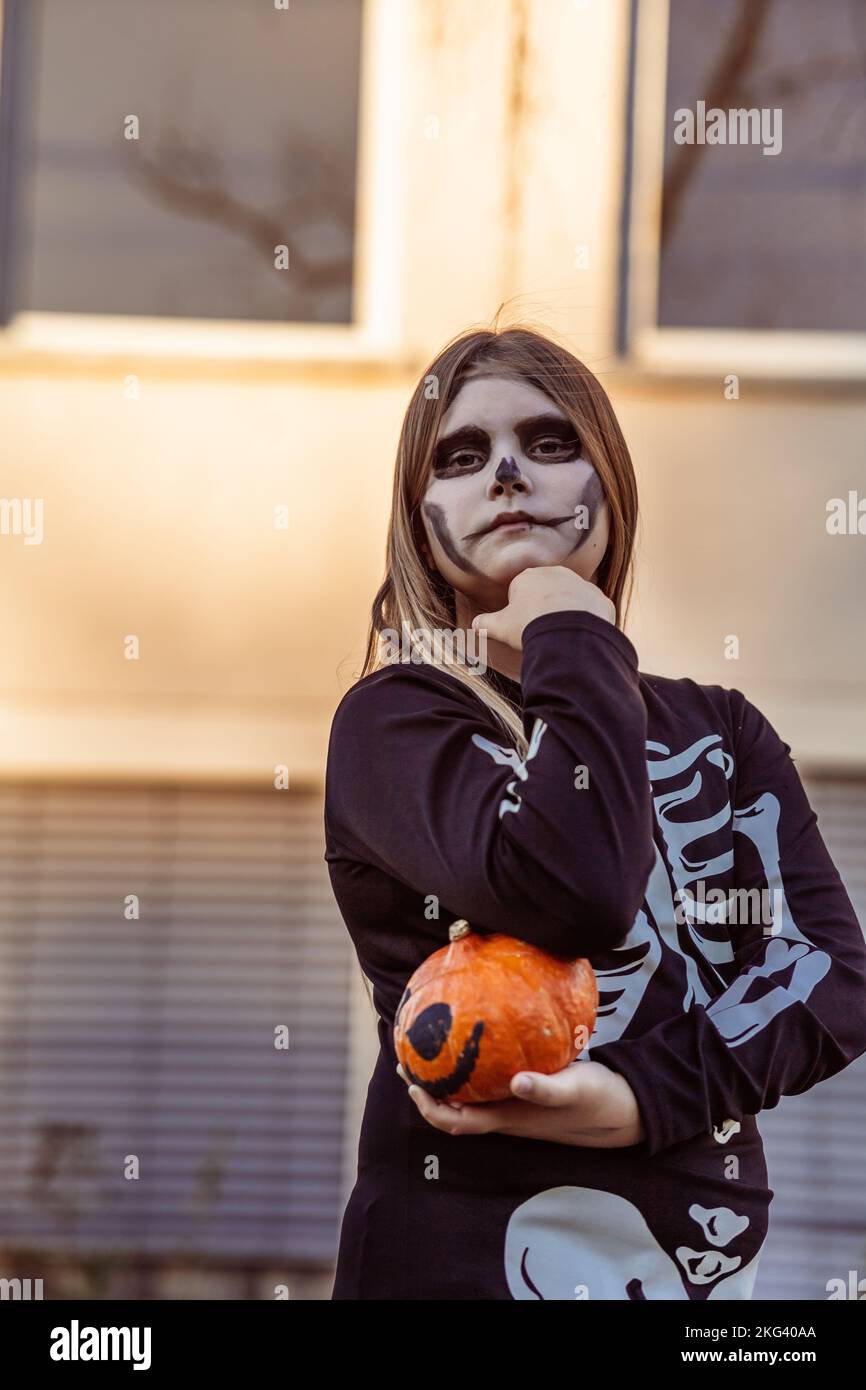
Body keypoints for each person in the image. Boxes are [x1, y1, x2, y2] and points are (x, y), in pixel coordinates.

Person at [324, 325, 866, 1301]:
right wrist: (566, 617)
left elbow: (834, 975)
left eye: (547, 442)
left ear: (608, 485)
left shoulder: (719, 730)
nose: (503, 474)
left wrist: (639, 1098)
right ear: (419, 514)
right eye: (460, 455)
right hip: (461, 1260)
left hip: (691, 1277)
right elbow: (571, 894)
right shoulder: (394, 721)